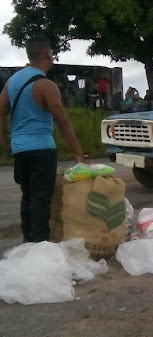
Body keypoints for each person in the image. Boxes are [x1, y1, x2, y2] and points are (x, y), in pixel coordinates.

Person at [0, 38, 84, 242]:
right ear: (48, 55)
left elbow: (0, 112)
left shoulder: (12, 81)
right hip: (41, 149)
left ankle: (28, 241)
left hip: (20, 149)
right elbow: (63, 122)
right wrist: (78, 153)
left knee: (27, 195)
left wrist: (4, 143)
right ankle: (38, 244)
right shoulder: (46, 85)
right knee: (40, 198)